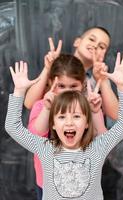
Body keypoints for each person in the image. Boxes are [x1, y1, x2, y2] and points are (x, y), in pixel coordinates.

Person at [5, 50, 123, 200]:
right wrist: (19, 90)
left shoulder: (98, 147)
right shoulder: (45, 148)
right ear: (52, 124)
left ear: (87, 123)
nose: (69, 122)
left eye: (76, 116)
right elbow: (12, 127)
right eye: (61, 117)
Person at [28, 53, 106, 199]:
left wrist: (94, 112)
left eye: (73, 86)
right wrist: (46, 109)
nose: (67, 91)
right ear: (51, 83)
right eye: (61, 86)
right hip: (48, 181)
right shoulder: (42, 105)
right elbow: (34, 137)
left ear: (83, 84)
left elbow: (103, 138)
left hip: (83, 182)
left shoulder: (90, 106)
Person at [24, 27, 119, 120]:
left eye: (101, 47)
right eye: (92, 39)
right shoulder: (58, 67)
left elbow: (116, 115)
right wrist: (48, 68)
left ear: (104, 55)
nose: (95, 46)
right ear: (77, 42)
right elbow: (29, 103)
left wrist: (102, 79)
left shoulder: (99, 78)